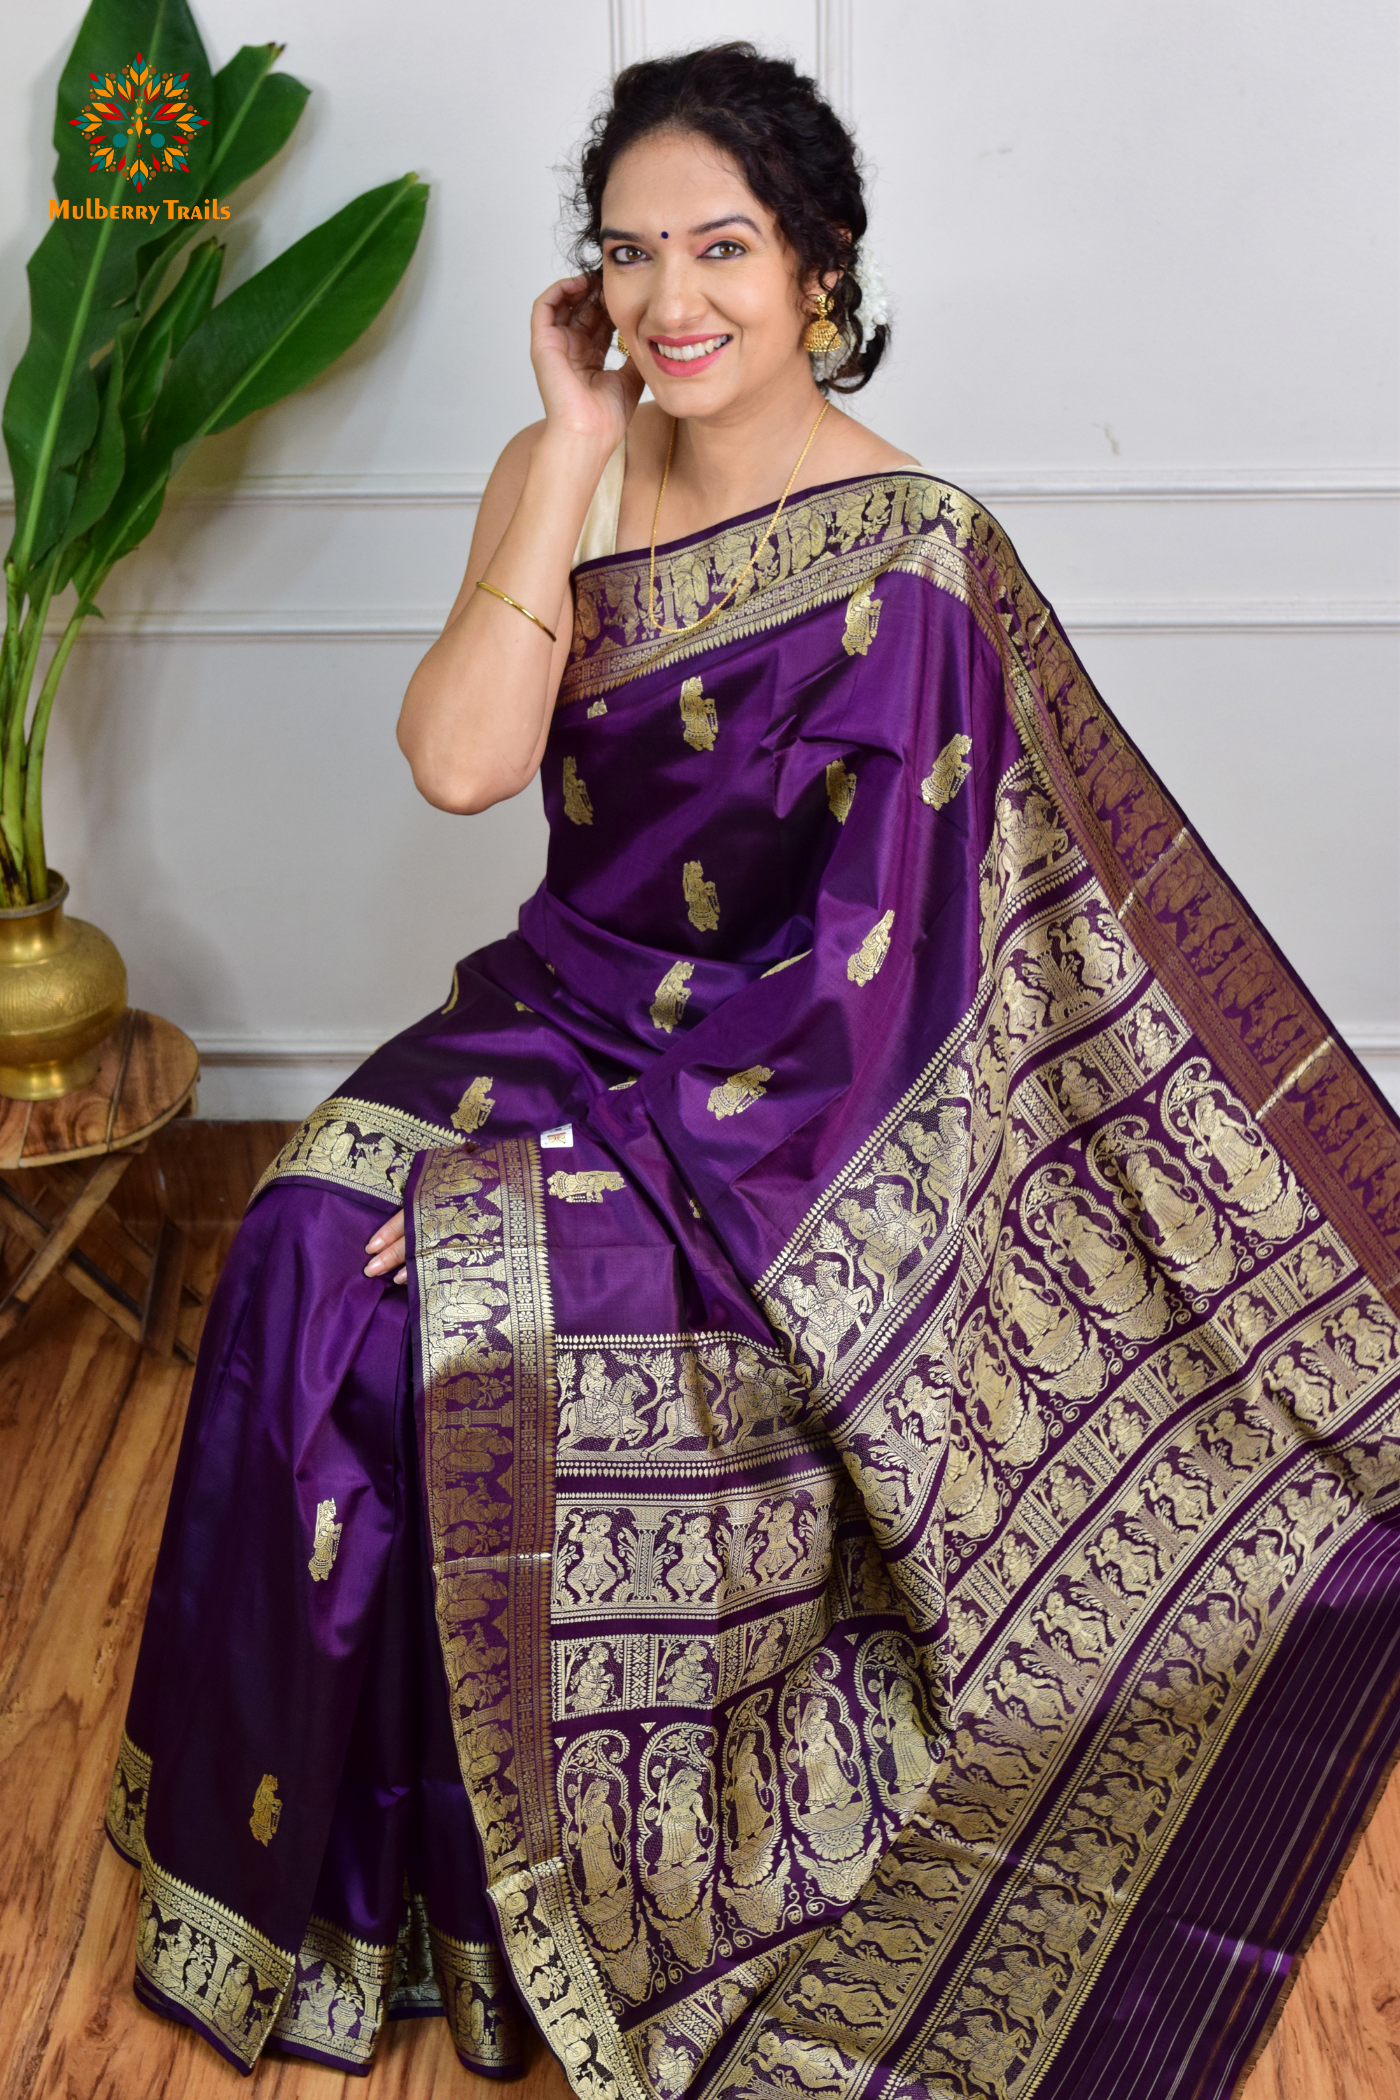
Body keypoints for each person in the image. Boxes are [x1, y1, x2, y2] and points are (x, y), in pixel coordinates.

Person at [107, 41, 1400, 2100]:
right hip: (551, 1021)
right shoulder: (573, 477)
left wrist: (639, 1155)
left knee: (453, 1322)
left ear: (819, 268)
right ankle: (330, 1900)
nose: (669, 299)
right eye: (628, 256)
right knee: (286, 1243)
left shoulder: (912, 554)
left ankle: (499, 1890)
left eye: (720, 248)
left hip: (785, 1113)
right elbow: (459, 764)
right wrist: (555, 448)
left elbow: (891, 981)